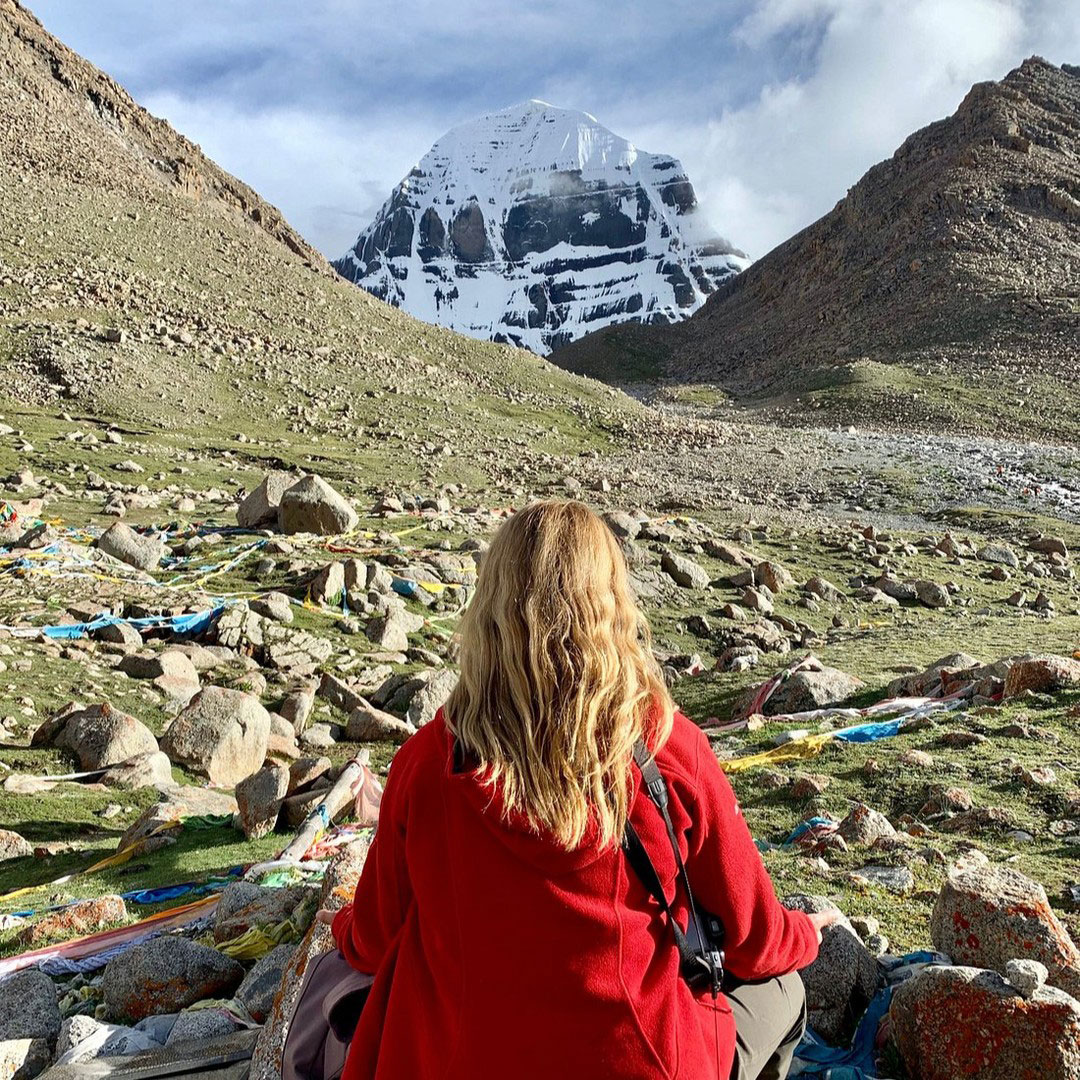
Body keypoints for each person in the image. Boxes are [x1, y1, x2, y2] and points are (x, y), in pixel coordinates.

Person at [324, 500, 838, 1079]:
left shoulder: (427, 762)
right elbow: (754, 940)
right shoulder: (666, 749)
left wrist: (334, 924)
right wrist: (807, 932)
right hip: (639, 1061)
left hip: (460, 1060)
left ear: (491, 610)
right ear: (613, 609)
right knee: (784, 988)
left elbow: (370, 939)